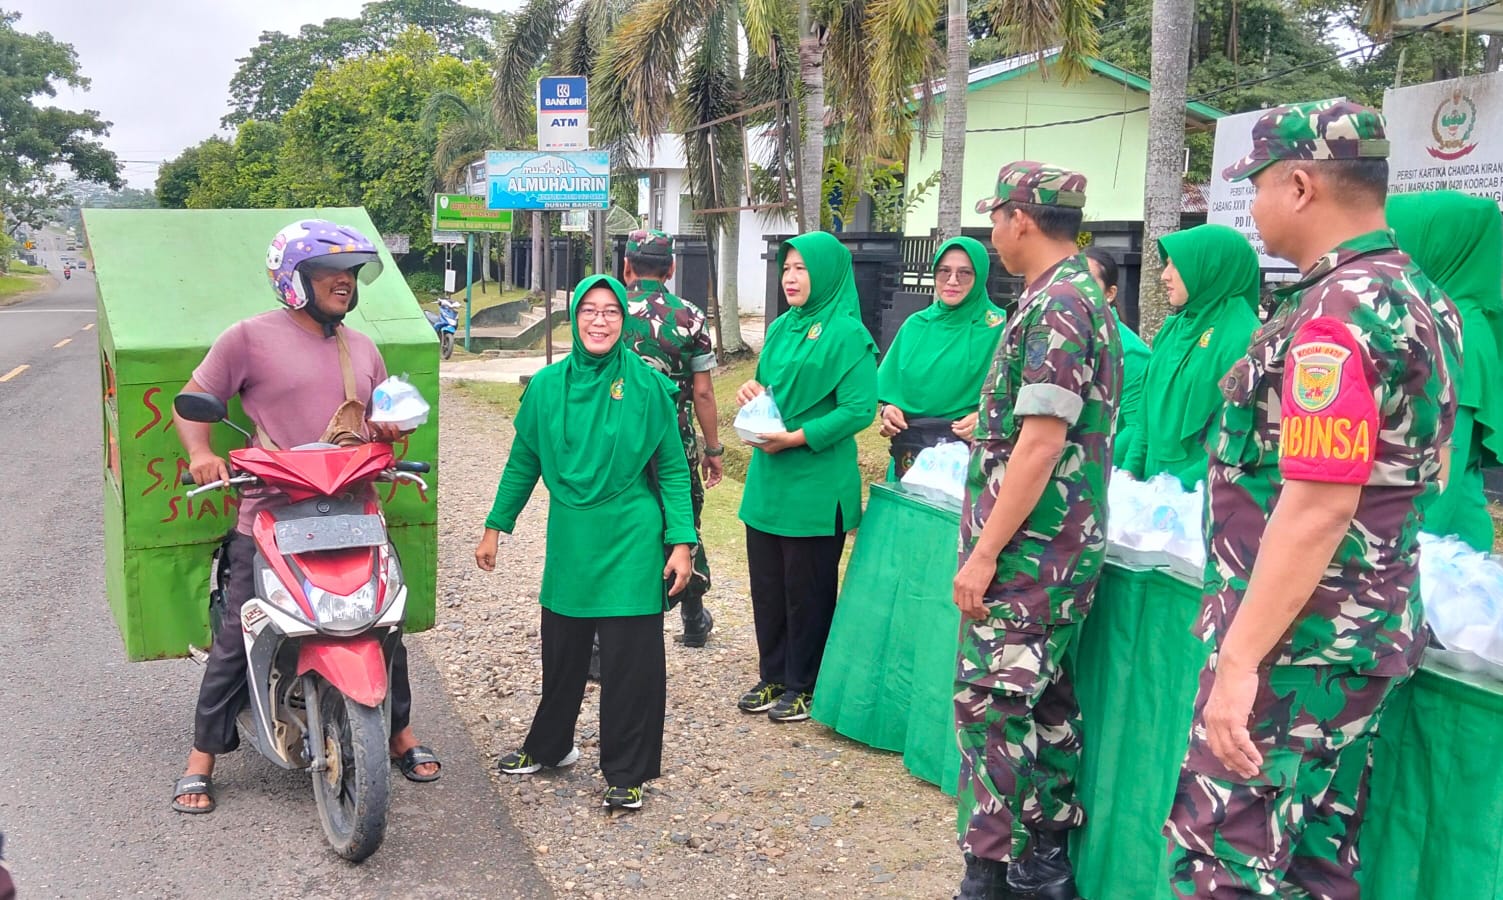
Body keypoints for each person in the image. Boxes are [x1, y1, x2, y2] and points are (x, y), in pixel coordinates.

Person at [1162, 100, 1454, 898]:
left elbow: (1320, 502)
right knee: (1315, 861)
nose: (1251, 207)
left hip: (1296, 644)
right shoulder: (1416, 293)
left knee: (1222, 859)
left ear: (1298, 184)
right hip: (1358, 629)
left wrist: (1240, 661)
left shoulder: (1335, 312)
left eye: (1254, 185)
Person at [170, 219, 440, 815]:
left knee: (383, 625)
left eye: (350, 274)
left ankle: (396, 732)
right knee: (238, 632)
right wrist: (202, 453)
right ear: (294, 279)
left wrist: (392, 428)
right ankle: (201, 756)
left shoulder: (362, 348)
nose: (345, 283)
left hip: (352, 509)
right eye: (330, 274)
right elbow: (191, 403)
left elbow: (376, 418)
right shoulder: (247, 338)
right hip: (269, 513)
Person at [953, 162, 1122, 900]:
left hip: (1028, 557)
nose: (991, 232)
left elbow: (1041, 443)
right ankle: (1042, 868)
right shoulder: (1072, 295)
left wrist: (984, 553)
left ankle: (988, 875)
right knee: (1044, 703)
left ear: (1021, 218)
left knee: (994, 708)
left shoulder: (1058, 304)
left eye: (995, 218)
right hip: (1053, 551)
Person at [476, 275, 694, 811]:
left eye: (611, 312)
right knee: (563, 650)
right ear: (573, 319)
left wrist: (682, 541)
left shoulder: (648, 386)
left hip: (631, 536)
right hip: (571, 536)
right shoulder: (547, 387)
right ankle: (551, 747)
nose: (600, 321)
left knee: (630, 662)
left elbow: (671, 469)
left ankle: (627, 772)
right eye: (589, 311)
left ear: (624, 321)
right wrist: (495, 526)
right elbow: (523, 461)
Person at [735, 231, 878, 723]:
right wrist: (753, 393)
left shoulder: (849, 334)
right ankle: (773, 673)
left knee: (808, 590)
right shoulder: (780, 328)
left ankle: (805, 683)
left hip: (816, 486)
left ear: (828, 274)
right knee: (769, 587)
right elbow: (770, 389)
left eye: (802, 269)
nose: (790, 277)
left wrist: (797, 437)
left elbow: (859, 411)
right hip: (768, 481)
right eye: (787, 267)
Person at [619, 230, 720, 646]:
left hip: (615, 442)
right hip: (673, 442)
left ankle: (599, 641)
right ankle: (694, 618)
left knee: (617, 524)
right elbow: (703, 392)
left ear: (626, 266)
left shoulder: (605, 312)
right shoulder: (691, 317)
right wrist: (712, 449)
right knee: (682, 521)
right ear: (672, 268)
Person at [1388, 190, 1502, 552]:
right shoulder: (1444, 318)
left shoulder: (1457, 331)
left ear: (1434, 248)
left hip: (1440, 554)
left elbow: (1437, 474)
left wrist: (1407, 558)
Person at [1122, 224, 1262, 490]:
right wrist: (1130, 471)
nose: (1165, 275)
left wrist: (1176, 488)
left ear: (1211, 268)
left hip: (1204, 497)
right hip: (1152, 494)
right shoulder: (1174, 328)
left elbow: (1236, 440)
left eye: (1176, 265)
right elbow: (1145, 415)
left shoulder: (1244, 337)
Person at [877, 236, 1005, 478]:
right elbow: (893, 385)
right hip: (911, 453)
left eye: (965, 273)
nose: (952, 281)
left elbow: (1014, 393)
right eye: (944, 271)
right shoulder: (917, 324)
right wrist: (889, 409)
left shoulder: (997, 328)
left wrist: (985, 417)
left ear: (981, 276)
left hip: (967, 457)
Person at [1083, 247, 1148, 471]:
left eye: (1088, 283)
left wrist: (1091, 467)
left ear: (1110, 294)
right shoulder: (1065, 340)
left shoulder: (1130, 351)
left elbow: (1134, 427)